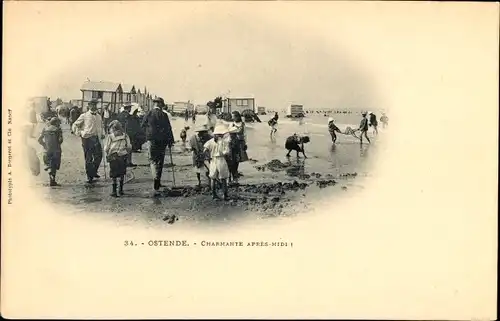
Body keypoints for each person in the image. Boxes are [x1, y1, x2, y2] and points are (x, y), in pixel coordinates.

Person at [141, 97, 175, 194]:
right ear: (161, 104)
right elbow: (169, 128)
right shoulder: (164, 115)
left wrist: (147, 135)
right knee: (160, 161)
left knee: (152, 160)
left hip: (152, 141)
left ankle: (155, 179)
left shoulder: (149, 113)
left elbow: (142, 126)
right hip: (162, 141)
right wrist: (170, 141)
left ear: (155, 104)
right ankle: (158, 181)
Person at [72, 99, 104, 184]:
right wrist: (81, 133)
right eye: (92, 105)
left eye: (95, 105)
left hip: (96, 138)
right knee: (89, 158)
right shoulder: (84, 115)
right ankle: (89, 176)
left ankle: (93, 171)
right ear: (89, 105)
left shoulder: (99, 116)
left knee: (99, 156)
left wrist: (102, 133)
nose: (94, 106)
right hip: (87, 139)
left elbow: (101, 126)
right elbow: (75, 125)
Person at [104, 120, 132, 197]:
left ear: (113, 128)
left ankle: (114, 191)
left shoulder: (110, 136)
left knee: (114, 173)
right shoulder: (125, 136)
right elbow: (129, 146)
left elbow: (106, 148)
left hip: (113, 156)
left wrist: (107, 153)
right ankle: (121, 190)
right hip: (123, 156)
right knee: (122, 173)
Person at [203, 124, 231, 200]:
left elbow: (205, 150)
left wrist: (208, 156)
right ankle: (225, 195)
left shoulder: (210, 142)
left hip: (213, 160)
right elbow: (227, 152)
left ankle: (214, 195)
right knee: (223, 178)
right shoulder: (224, 142)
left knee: (213, 178)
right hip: (221, 159)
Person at [37, 117, 63, 186]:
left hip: (47, 150)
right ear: (56, 123)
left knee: (49, 165)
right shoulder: (58, 129)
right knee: (54, 165)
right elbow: (60, 140)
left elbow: (39, 140)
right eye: (58, 123)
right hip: (56, 150)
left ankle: (51, 178)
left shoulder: (45, 129)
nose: (59, 124)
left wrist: (44, 145)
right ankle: (52, 180)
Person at [227, 111, 248, 184]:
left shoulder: (242, 124)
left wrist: (245, 144)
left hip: (240, 144)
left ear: (237, 116)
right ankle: (230, 176)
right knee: (231, 160)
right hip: (232, 144)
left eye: (233, 116)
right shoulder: (231, 124)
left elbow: (245, 134)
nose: (232, 118)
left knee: (237, 160)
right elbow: (228, 132)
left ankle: (234, 175)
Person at [117, 103, 137, 167]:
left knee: (120, 148)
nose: (130, 109)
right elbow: (131, 126)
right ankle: (128, 162)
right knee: (128, 148)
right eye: (130, 108)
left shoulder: (119, 115)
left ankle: (121, 162)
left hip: (119, 134)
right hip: (128, 134)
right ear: (128, 108)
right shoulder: (129, 116)